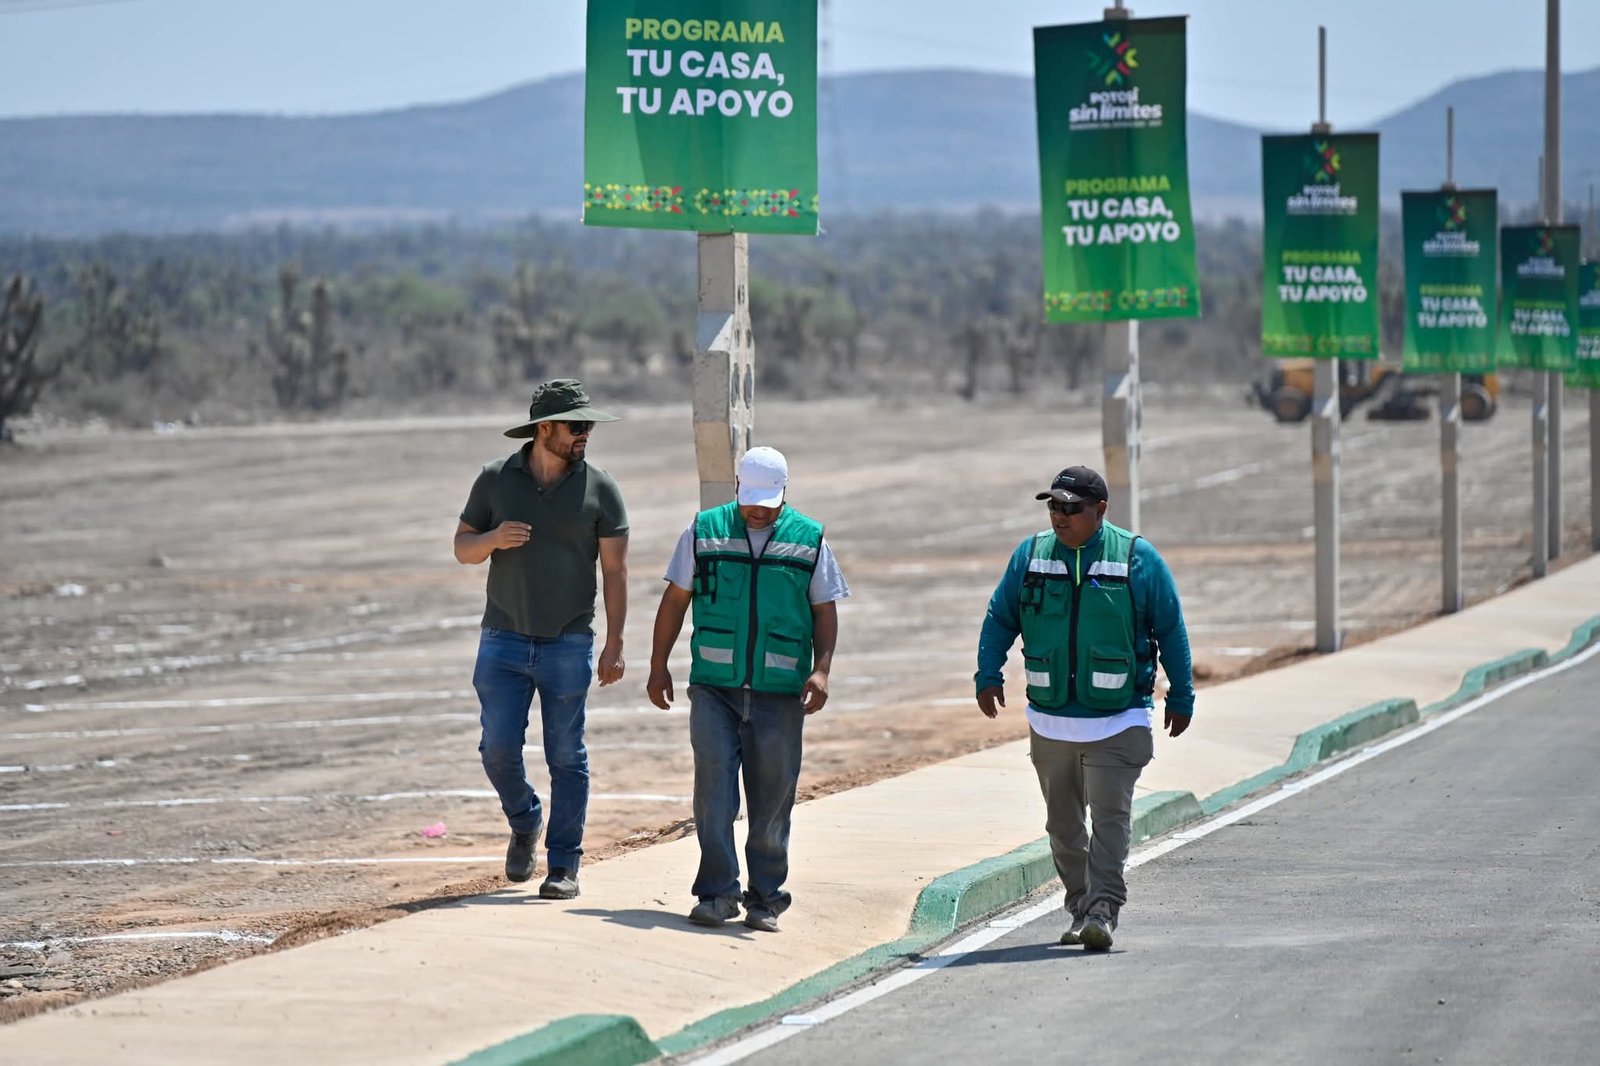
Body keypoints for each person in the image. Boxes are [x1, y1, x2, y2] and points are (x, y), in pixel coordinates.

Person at [975, 465, 1193, 951]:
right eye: (1054, 506)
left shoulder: (1138, 559)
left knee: (1110, 819)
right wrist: (987, 672)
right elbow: (1000, 617)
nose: (1060, 516)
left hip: (1120, 717)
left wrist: (1181, 692)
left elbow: (1171, 627)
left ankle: (1103, 910)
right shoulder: (1030, 556)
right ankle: (1080, 906)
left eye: (1072, 508)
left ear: (1100, 510)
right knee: (1063, 827)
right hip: (1050, 719)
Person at [646, 446, 848, 933]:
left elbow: (824, 610)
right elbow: (675, 600)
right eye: (751, 499)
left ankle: (766, 898)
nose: (758, 509)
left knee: (773, 797)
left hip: (780, 691)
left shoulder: (809, 539)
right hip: (714, 688)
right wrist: (658, 666)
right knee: (713, 793)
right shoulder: (704, 530)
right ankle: (717, 893)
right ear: (737, 488)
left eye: (769, 502)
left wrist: (820, 671)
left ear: (785, 495)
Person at [453, 379, 629, 900]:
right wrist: (492, 539)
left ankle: (563, 865)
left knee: (567, 757)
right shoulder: (494, 480)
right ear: (544, 429)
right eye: (577, 425)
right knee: (497, 749)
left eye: (589, 425)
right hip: (502, 640)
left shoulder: (601, 488)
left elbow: (615, 571)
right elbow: (462, 548)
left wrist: (615, 641)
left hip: (569, 642)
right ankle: (525, 818)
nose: (585, 434)